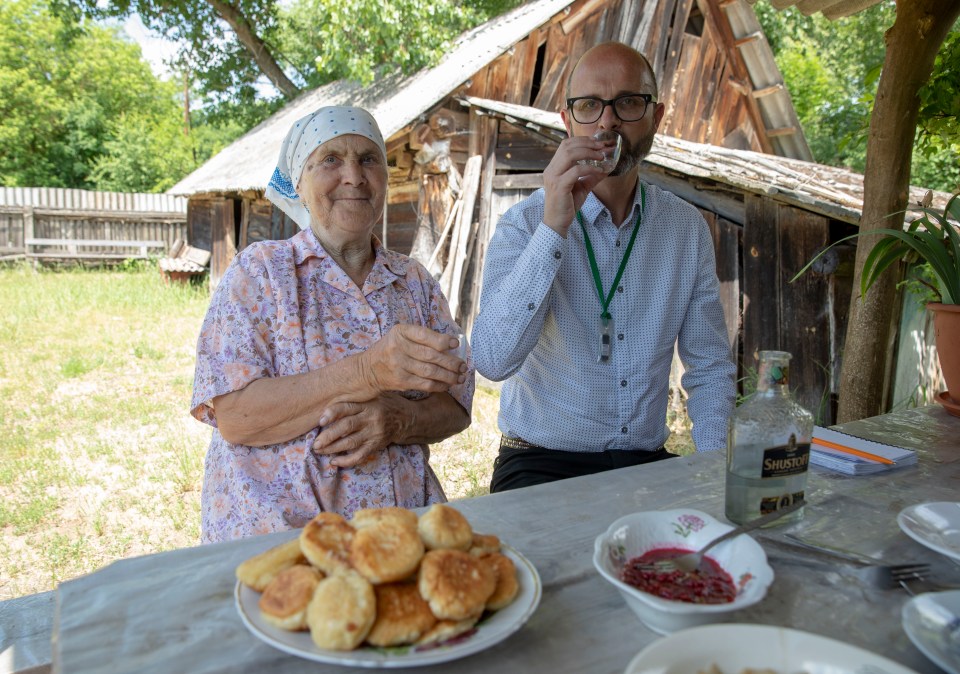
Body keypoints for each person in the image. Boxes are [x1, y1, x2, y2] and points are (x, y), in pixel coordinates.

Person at [191, 106, 475, 543]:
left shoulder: (413, 282)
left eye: (368, 159)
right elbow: (236, 417)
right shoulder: (261, 273)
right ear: (299, 186)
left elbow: (455, 408)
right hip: (280, 538)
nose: (354, 177)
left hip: (399, 536)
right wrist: (367, 372)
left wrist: (399, 419)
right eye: (330, 160)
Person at [471, 42, 735, 492]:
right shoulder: (525, 224)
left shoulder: (685, 229)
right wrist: (554, 226)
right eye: (590, 105)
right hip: (539, 464)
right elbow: (492, 360)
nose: (607, 120)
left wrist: (718, 477)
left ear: (657, 116)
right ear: (567, 120)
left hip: (645, 462)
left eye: (629, 103)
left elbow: (709, 369)